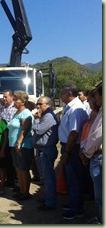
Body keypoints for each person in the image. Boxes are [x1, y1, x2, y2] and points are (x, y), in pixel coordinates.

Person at [58, 82, 89, 220]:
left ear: (69, 94)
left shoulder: (76, 108)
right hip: (69, 146)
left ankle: (77, 209)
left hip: (73, 148)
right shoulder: (70, 107)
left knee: (75, 179)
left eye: (62, 93)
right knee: (71, 178)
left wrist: (66, 152)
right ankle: (73, 203)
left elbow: (74, 133)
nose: (60, 96)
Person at [80, 84, 102, 224]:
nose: (94, 100)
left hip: (98, 155)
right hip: (96, 154)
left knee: (100, 195)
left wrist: (85, 152)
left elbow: (96, 136)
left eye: (94, 97)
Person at [32, 96, 59, 210]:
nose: (37, 106)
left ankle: (50, 202)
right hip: (42, 149)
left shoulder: (48, 116)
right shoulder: (45, 115)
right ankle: (48, 198)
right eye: (37, 104)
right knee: (45, 177)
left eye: (40, 104)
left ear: (48, 105)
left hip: (46, 150)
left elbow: (38, 130)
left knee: (48, 178)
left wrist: (36, 119)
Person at [7, 91, 34, 201]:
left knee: (23, 169)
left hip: (23, 146)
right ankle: (21, 190)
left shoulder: (26, 113)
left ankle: (26, 192)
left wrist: (19, 143)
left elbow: (25, 130)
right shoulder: (17, 112)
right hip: (13, 145)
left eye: (15, 99)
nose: (14, 102)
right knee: (18, 169)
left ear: (22, 102)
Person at [1, 89, 17, 188]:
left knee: (13, 160)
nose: (4, 99)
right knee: (6, 159)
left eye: (6, 97)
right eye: (3, 97)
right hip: (4, 137)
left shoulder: (15, 109)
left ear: (12, 97)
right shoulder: (2, 108)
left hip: (12, 137)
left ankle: (15, 180)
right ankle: (8, 179)